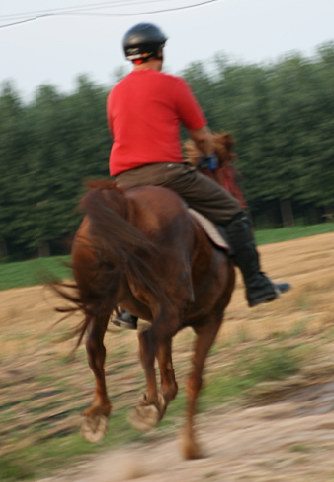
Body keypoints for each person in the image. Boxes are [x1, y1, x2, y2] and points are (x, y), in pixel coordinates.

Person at [107, 22, 290, 329]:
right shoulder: (172, 85)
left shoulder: (115, 93)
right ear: (159, 52)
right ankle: (257, 285)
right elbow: (201, 137)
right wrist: (206, 157)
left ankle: (125, 308)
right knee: (234, 214)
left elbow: (122, 133)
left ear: (131, 57)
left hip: (124, 182)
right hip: (166, 174)